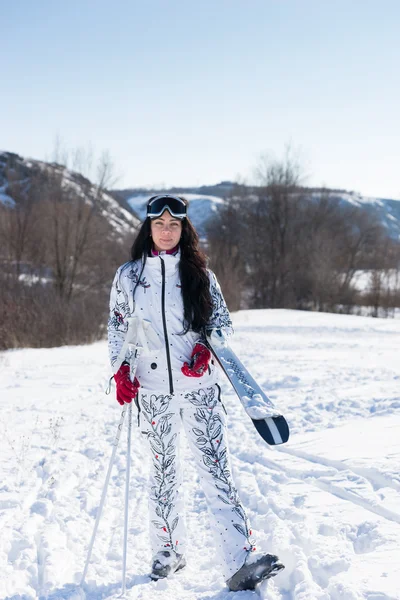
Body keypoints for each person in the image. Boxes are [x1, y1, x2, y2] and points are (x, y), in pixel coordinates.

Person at [107, 195, 284, 591]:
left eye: (174, 225)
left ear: (184, 230)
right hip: (152, 393)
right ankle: (168, 552)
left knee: (216, 473)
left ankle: (240, 560)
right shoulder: (129, 276)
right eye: (160, 225)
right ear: (148, 228)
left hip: (199, 391)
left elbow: (221, 323)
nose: (167, 231)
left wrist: (206, 348)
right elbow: (119, 328)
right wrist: (120, 370)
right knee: (164, 475)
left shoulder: (201, 274)